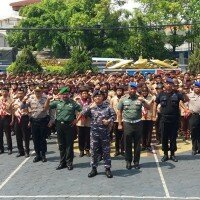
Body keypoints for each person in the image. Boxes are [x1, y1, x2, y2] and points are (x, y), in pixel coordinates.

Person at [79, 90, 116, 178]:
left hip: (105, 133)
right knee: (94, 152)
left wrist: (109, 121)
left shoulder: (108, 107)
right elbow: (83, 113)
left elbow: (114, 116)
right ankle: (94, 168)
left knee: (106, 151)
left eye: (99, 96)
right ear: (93, 98)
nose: (97, 98)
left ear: (103, 97)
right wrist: (90, 107)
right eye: (95, 96)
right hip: (94, 133)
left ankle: (107, 169)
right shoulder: (91, 107)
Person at [153, 78, 188, 162]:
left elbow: (184, 101)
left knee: (173, 137)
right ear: (164, 84)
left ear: (172, 85)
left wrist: (184, 94)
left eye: (170, 84)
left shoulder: (177, 94)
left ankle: (172, 154)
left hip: (174, 119)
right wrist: (154, 115)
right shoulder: (161, 94)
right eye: (167, 83)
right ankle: (165, 154)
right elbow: (155, 104)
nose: (169, 85)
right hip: (164, 119)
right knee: (164, 137)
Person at [117, 82, 151, 170]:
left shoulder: (140, 99)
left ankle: (136, 162)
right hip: (127, 123)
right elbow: (119, 112)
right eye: (131, 88)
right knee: (127, 144)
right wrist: (120, 124)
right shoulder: (123, 99)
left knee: (137, 144)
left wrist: (143, 101)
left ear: (136, 90)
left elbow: (149, 107)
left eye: (134, 89)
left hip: (138, 123)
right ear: (128, 89)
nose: (132, 90)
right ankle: (128, 161)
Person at [48, 87, 82, 170]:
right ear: (60, 95)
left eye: (66, 94)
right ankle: (62, 162)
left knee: (69, 145)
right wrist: (48, 100)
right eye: (63, 94)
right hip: (59, 125)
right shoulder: (56, 103)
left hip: (69, 125)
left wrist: (76, 120)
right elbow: (46, 107)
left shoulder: (73, 103)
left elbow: (82, 110)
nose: (65, 95)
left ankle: (69, 163)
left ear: (69, 94)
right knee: (61, 145)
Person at [27, 86, 49, 163]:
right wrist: (29, 116)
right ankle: (37, 155)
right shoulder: (30, 99)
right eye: (36, 91)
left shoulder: (45, 99)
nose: (37, 92)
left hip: (43, 120)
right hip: (34, 121)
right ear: (34, 91)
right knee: (35, 139)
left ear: (42, 91)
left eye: (39, 91)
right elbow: (23, 107)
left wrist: (51, 120)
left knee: (43, 138)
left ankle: (43, 155)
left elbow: (48, 109)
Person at [13, 88, 30, 157]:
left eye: (21, 93)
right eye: (18, 93)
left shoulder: (28, 101)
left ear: (24, 94)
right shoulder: (16, 101)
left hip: (25, 118)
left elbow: (28, 111)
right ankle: (20, 151)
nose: (19, 95)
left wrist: (29, 121)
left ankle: (27, 151)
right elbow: (14, 108)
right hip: (17, 119)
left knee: (25, 136)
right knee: (18, 136)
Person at [75, 86, 91, 157]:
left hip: (88, 120)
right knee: (80, 136)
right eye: (83, 93)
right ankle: (81, 150)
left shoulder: (90, 101)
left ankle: (87, 149)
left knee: (88, 136)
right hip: (79, 121)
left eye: (86, 93)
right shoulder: (77, 101)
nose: (84, 95)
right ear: (80, 94)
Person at [110, 85, 125, 156]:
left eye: (120, 90)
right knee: (116, 137)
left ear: (122, 91)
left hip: (124, 119)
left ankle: (122, 150)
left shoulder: (125, 98)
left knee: (123, 136)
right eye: (118, 90)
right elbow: (110, 109)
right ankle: (117, 150)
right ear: (116, 91)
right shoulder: (113, 99)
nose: (119, 92)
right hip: (115, 120)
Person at [187, 82, 200, 155]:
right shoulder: (189, 95)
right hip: (193, 116)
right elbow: (181, 102)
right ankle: (194, 148)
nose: (197, 88)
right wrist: (186, 109)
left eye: (198, 87)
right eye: (195, 87)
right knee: (194, 132)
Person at [0, 87, 14, 155]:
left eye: (5, 91)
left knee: (8, 134)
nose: (4, 93)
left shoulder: (11, 100)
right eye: (3, 91)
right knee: (0, 134)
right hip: (0, 117)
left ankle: (9, 148)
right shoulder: (0, 98)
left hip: (7, 117)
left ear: (8, 92)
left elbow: (10, 109)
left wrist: (5, 101)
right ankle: (1, 148)